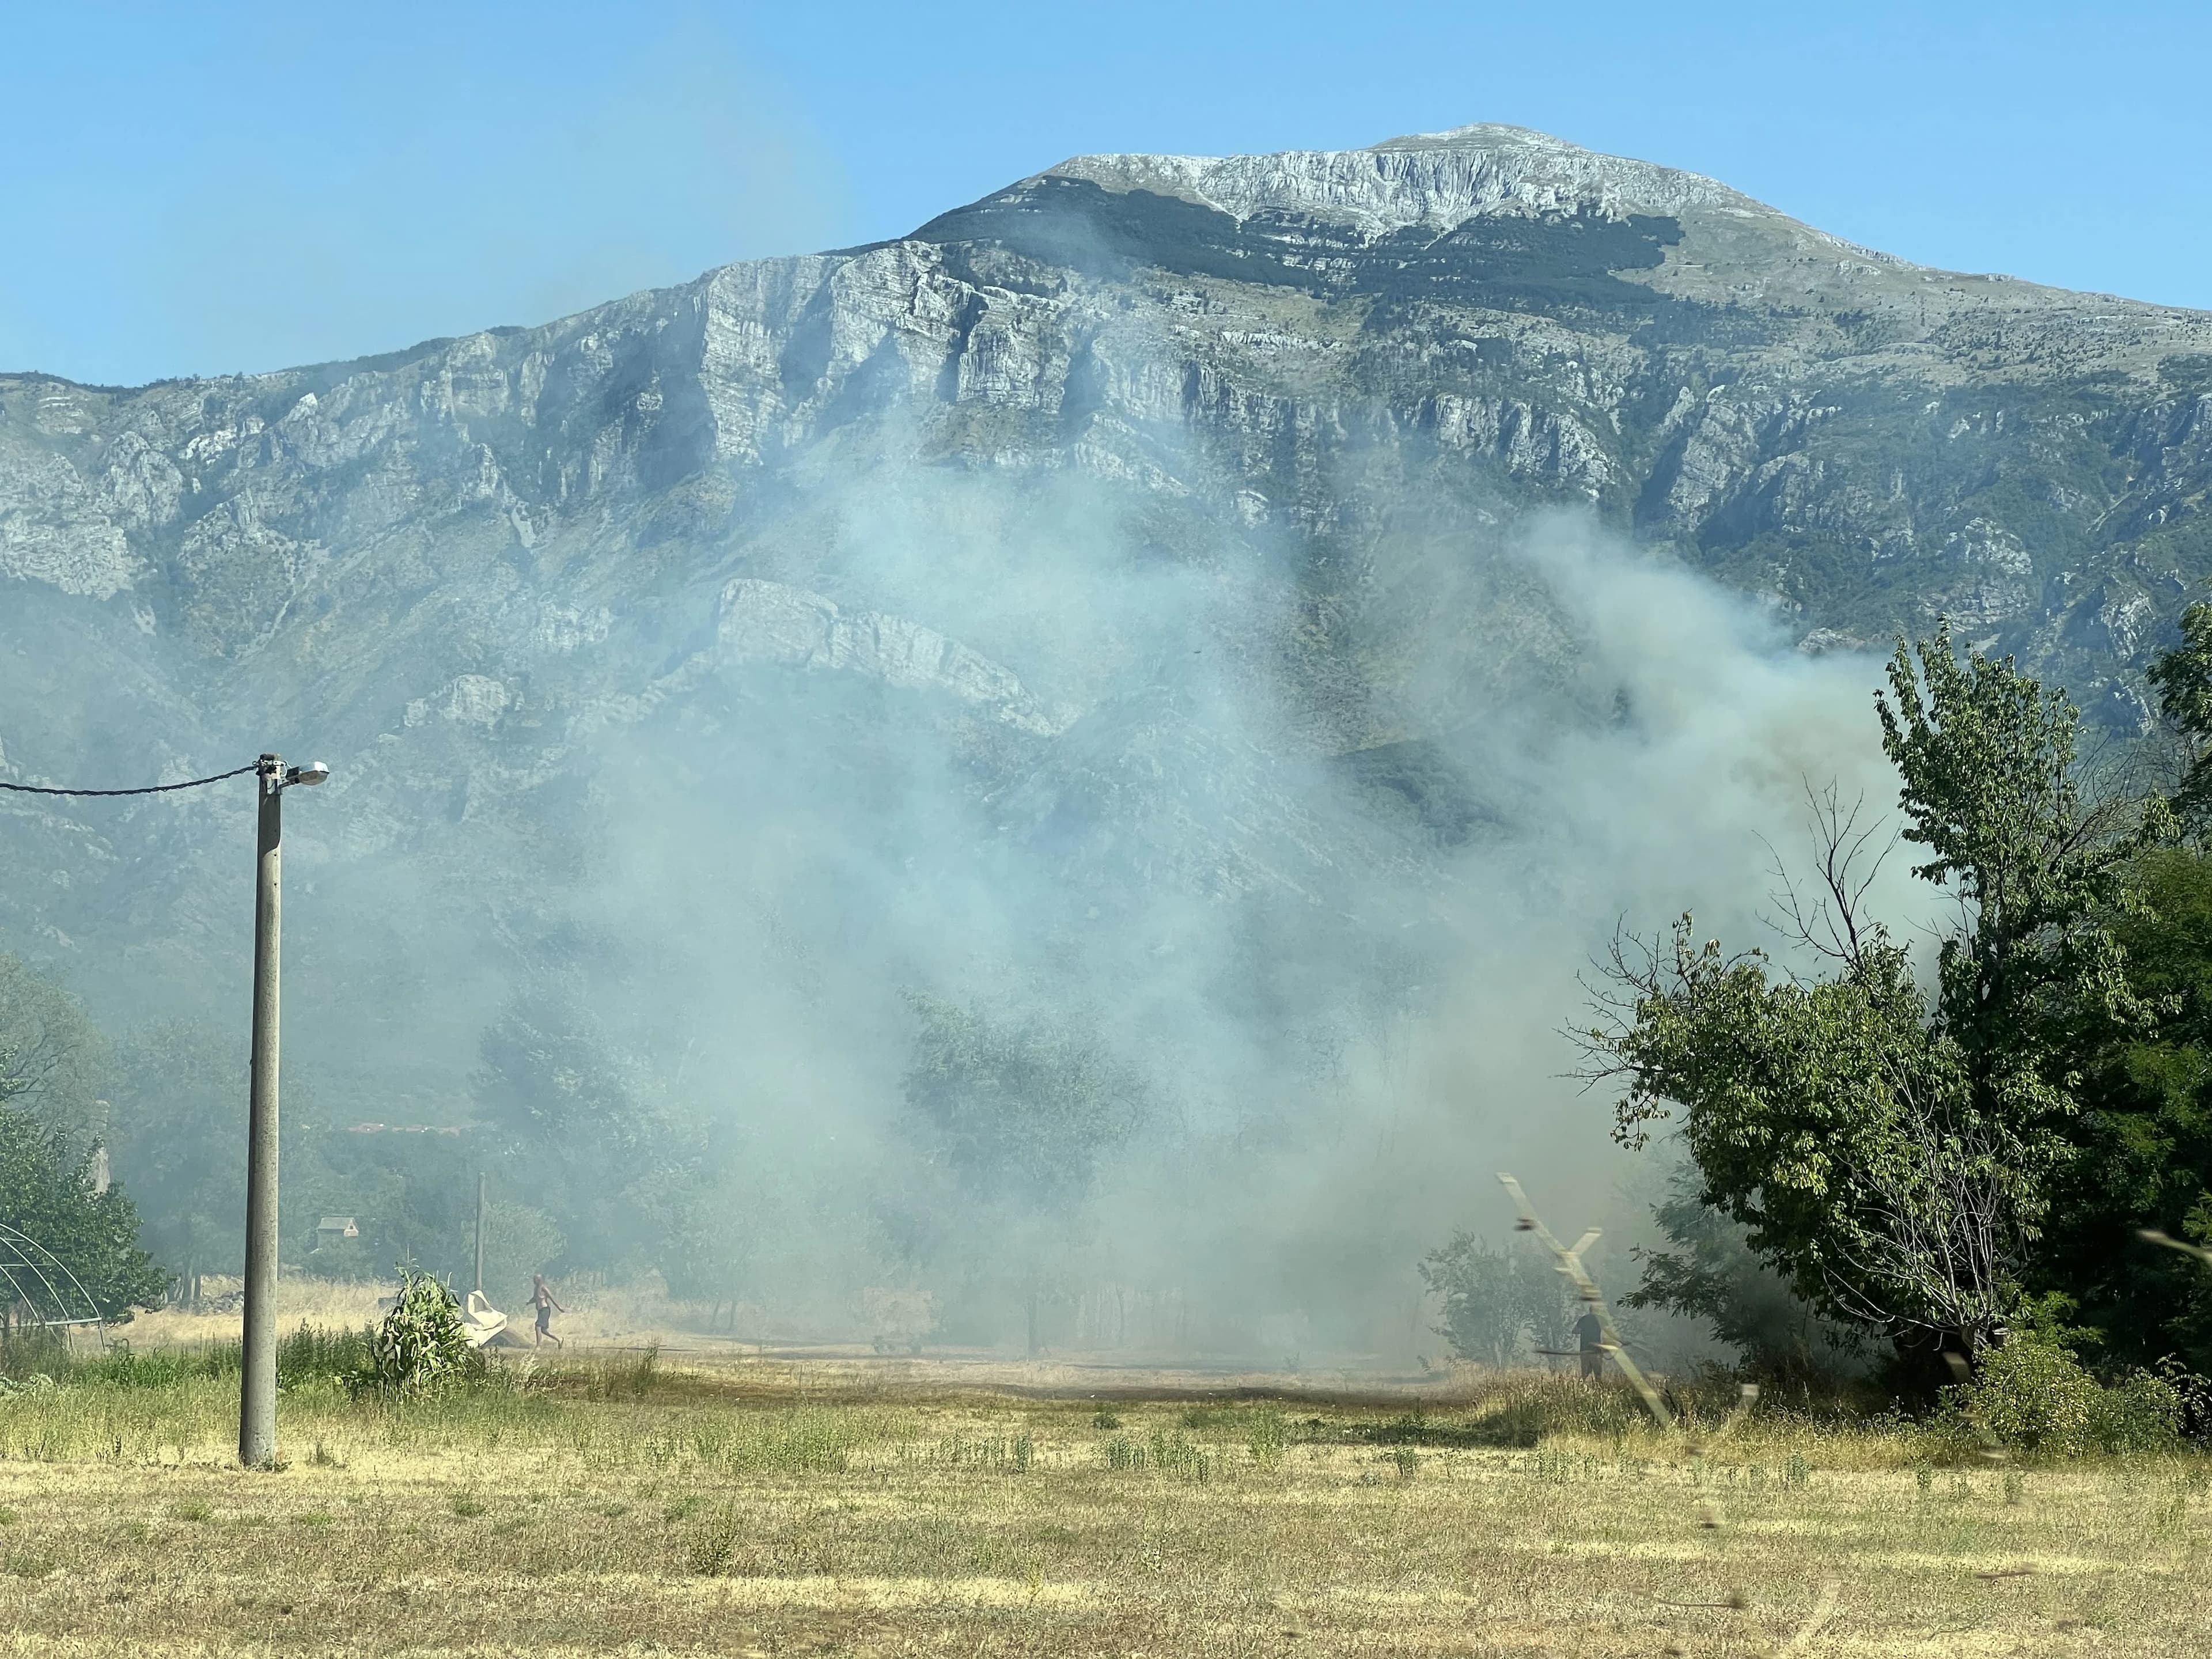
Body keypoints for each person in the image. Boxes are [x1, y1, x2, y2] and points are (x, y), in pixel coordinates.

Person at [530, 1273, 566, 1349]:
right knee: (544, 1330)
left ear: (539, 1280)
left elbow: (552, 1298)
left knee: (538, 1326)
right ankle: (559, 1339)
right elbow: (535, 1298)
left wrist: (559, 1308)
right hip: (540, 1311)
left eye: (536, 1279)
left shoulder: (544, 1288)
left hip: (545, 1310)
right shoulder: (536, 1289)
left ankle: (538, 1346)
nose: (534, 1281)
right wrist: (529, 1302)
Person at [1574, 1309, 1605, 1381]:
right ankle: (1598, 1389)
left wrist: (1585, 1331)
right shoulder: (1601, 1319)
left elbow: (1575, 1331)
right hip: (1596, 1351)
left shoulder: (1583, 1319)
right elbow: (1609, 1331)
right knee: (1598, 1374)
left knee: (1585, 1374)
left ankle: (1582, 1389)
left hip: (1584, 1350)